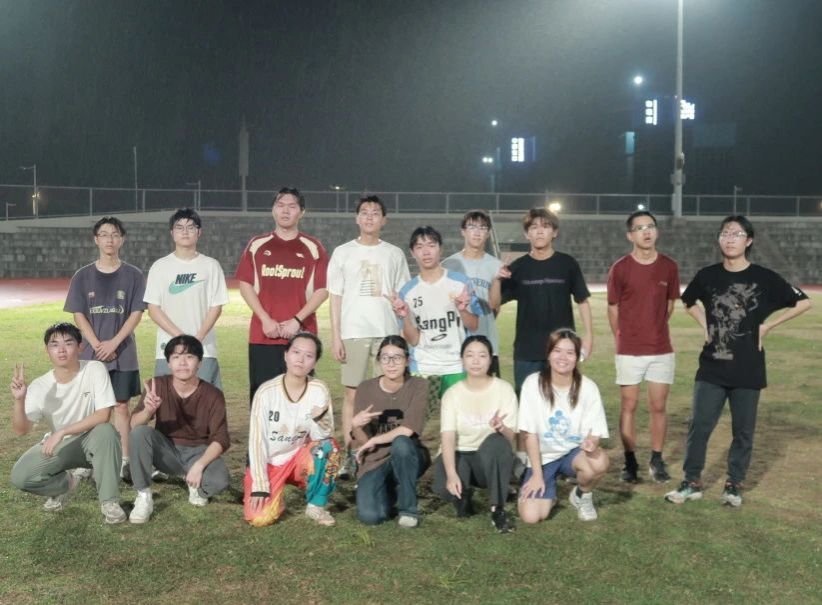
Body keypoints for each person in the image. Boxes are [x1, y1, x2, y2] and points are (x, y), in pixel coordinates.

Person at [666, 215, 811, 507]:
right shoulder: (707, 275)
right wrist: (705, 324)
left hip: (748, 367)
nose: (730, 238)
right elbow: (688, 301)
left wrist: (768, 326)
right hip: (712, 367)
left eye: (737, 234)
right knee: (699, 426)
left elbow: (804, 301)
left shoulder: (765, 278)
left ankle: (734, 484)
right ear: (719, 239)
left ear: (749, 240)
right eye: (725, 233)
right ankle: (691, 482)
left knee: (743, 432)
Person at [327, 195, 410, 479]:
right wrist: (336, 336)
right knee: (352, 395)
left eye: (376, 213)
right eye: (364, 212)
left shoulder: (394, 254)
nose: (370, 217)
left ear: (384, 220)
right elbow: (335, 297)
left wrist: (402, 337)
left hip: (387, 335)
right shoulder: (343, 253)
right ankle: (351, 454)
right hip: (353, 333)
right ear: (357, 218)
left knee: (386, 397)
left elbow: (402, 298)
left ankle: (380, 454)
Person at [10, 323, 126, 524]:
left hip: (93, 439)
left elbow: (103, 415)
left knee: (107, 431)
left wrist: (62, 431)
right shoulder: (40, 385)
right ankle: (67, 483)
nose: (61, 350)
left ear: (80, 347)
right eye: (54, 344)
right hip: (62, 445)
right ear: (47, 351)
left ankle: (110, 503)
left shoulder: (94, 369)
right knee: (20, 476)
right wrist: (19, 400)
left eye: (68, 343)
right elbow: (21, 430)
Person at [64, 216, 146, 479]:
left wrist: (114, 342)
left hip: (123, 353)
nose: (109, 239)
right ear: (96, 239)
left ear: (122, 239)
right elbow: (78, 314)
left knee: (121, 406)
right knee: (91, 409)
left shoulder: (134, 275)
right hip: (92, 354)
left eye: (115, 234)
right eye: (104, 234)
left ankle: (124, 460)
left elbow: (136, 313)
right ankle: (87, 459)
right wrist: (97, 344)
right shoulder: (82, 276)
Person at [606, 210, 680, 483]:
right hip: (629, 350)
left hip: (661, 349)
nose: (646, 232)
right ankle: (630, 461)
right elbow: (613, 308)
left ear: (657, 231)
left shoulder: (669, 266)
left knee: (658, 406)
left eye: (650, 226)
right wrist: (624, 338)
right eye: (639, 228)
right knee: (629, 405)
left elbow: (670, 305)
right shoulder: (620, 268)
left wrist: (654, 328)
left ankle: (657, 460)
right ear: (630, 236)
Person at [236, 187, 329, 402]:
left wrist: (297, 321)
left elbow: (323, 290)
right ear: (273, 210)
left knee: (300, 398)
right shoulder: (257, 244)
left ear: (302, 212)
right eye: (280, 205)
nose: (285, 211)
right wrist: (265, 319)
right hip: (263, 334)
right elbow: (245, 285)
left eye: (292, 206)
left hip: (302, 336)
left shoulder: (313, 247)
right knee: (262, 396)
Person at [127, 335, 231, 524]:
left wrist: (199, 465)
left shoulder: (213, 394)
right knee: (139, 433)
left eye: (189, 357)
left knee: (220, 481)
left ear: (199, 362)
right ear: (168, 363)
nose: (182, 363)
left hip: (199, 452)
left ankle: (194, 483)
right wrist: (148, 411)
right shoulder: (157, 386)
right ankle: (143, 496)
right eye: (176, 357)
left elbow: (221, 438)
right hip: (167, 451)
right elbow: (133, 425)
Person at [491, 208, 593, 395]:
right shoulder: (518, 267)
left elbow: (582, 301)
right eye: (533, 227)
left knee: (563, 401)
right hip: (527, 351)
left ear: (554, 232)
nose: (539, 231)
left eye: (545, 226)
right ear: (526, 234)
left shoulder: (567, 263)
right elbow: (495, 304)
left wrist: (588, 336)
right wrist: (497, 280)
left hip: (562, 348)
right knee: (527, 403)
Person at [244, 333, 339, 527]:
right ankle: (275, 494)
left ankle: (316, 505)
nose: (300, 359)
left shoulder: (319, 389)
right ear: (286, 355)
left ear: (315, 362)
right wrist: (260, 484)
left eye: (308, 355)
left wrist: (320, 419)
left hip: (298, 458)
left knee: (329, 448)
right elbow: (256, 440)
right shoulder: (266, 392)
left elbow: (322, 437)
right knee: (259, 518)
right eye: (296, 352)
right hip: (269, 462)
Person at [518, 329, 610, 523]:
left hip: (573, 453)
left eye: (570, 353)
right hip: (543, 458)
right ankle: (548, 493)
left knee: (599, 462)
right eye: (557, 351)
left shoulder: (588, 387)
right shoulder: (532, 384)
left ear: (577, 357)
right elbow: (529, 434)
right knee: (531, 517)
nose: (563, 357)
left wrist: (592, 443)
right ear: (548, 353)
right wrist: (537, 475)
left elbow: (595, 432)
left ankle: (582, 495)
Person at [387, 226, 480, 410]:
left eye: (431, 245)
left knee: (460, 419)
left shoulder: (460, 283)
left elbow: (474, 325)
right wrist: (405, 317)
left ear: (440, 249)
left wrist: (462, 310)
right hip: (423, 367)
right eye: (420, 247)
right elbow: (413, 339)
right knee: (417, 421)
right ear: (412, 252)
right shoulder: (408, 292)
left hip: (456, 366)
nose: (426, 251)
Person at [433, 335, 518, 533]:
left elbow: (513, 438)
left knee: (497, 442)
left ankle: (497, 509)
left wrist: (502, 428)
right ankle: (464, 497)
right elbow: (447, 437)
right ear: (462, 359)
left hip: (486, 458)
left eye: (482, 355)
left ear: (490, 359)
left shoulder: (504, 390)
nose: (476, 361)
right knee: (447, 489)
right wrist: (451, 474)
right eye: (470, 355)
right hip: (460, 454)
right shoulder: (452, 394)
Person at [144, 208, 229, 388]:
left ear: (199, 232)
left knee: (205, 401)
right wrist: (181, 338)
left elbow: (216, 307)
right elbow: (153, 309)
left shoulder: (211, 266)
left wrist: (197, 339)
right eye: (179, 227)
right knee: (167, 401)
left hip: (204, 349)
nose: (185, 231)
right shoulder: (160, 267)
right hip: (168, 349)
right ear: (172, 233)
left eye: (191, 227)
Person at [351, 335, 430, 528]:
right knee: (371, 516)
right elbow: (363, 442)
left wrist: (375, 440)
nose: (391, 363)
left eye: (397, 357)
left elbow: (408, 429)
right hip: (375, 459)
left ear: (407, 360)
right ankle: (389, 489)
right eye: (385, 358)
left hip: (408, 454)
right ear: (379, 361)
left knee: (401, 443)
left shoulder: (419, 386)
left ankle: (408, 509)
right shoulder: (365, 388)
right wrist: (356, 425)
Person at [442, 210, 504, 376]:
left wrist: (497, 280)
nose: (477, 232)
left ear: (488, 233)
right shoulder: (448, 265)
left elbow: (495, 307)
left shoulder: (496, 265)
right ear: (463, 231)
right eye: (472, 227)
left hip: (486, 342)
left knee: (487, 390)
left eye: (482, 228)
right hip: (454, 345)